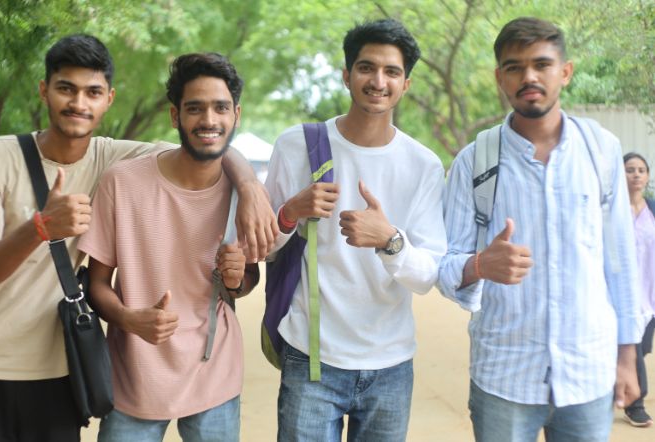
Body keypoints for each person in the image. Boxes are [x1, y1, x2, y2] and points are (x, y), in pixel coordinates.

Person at [0, 35, 275, 441]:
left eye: (92, 92)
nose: (79, 103)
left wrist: (250, 185)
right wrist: (41, 228)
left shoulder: (112, 156)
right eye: (66, 88)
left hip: (59, 368)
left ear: (108, 99)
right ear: (44, 91)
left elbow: (210, 144)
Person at [438, 17, 642, 441]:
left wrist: (627, 358)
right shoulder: (475, 162)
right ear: (500, 78)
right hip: (504, 377)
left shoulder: (601, 150)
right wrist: (480, 265)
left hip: (588, 372)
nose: (528, 76)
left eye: (542, 64)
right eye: (514, 67)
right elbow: (446, 266)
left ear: (565, 72)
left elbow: (621, 262)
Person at [264, 19, 447, 441]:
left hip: (391, 365)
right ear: (347, 75)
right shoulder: (296, 145)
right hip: (311, 357)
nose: (378, 81)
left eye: (392, 72)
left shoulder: (423, 164)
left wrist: (390, 241)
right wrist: (291, 212)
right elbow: (263, 247)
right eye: (366, 68)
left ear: (406, 84)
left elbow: (428, 275)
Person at [78, 52, 259, 442]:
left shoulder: (244, 194)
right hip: (134, 378)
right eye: (195, 108)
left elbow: (246, 281)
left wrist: (237, 279)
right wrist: (128, 319)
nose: (209, 120)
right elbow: (96, 284)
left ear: (236, 115)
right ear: (175, 116)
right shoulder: (122, 182)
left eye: (220, 108)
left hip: (214, 375)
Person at [623, 152, 655, 427]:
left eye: (641, 170)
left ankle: (619, 388)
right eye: (630, 169)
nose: (636, 174)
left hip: (650, 292)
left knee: (641, 348)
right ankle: (636, 405)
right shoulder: (611, 210)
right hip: (622, 294)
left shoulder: (653, 209)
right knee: (631, 345)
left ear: (647, 176)